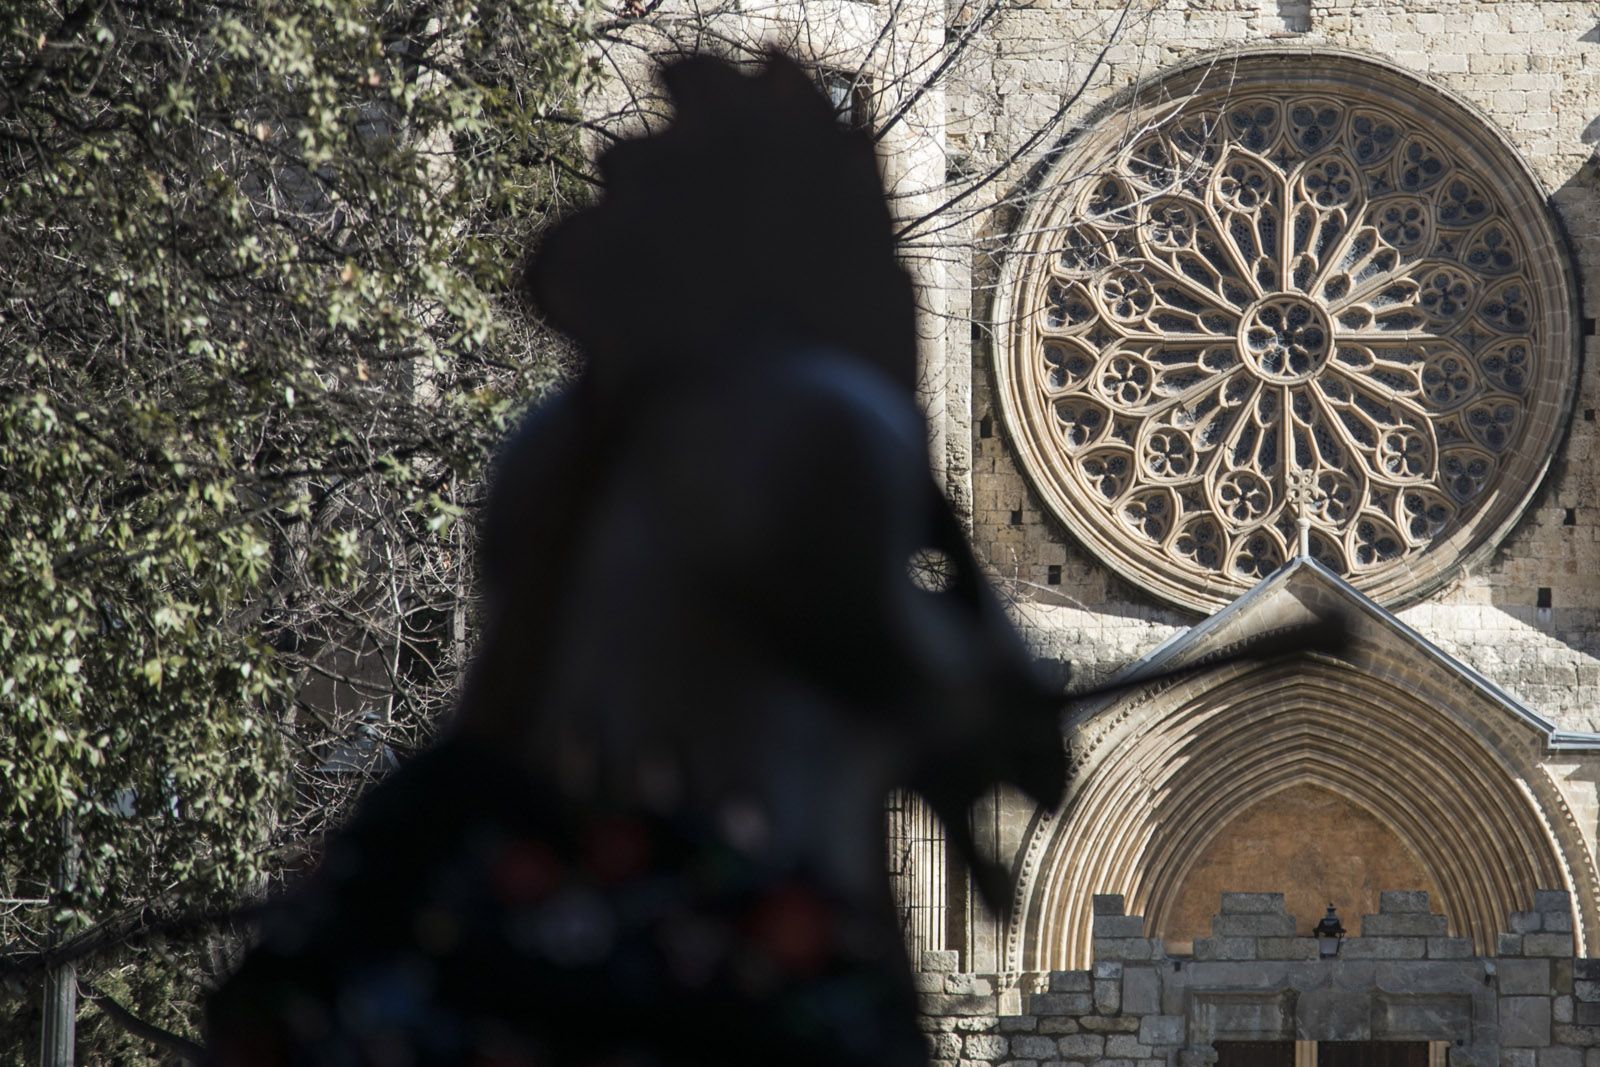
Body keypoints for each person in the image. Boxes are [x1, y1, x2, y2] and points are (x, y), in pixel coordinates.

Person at [206, 53, 1069, 1066]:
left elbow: (500, 694)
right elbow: (956, 693)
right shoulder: (824, 417)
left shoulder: (559, 439)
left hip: (516, 900)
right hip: (727, 919)